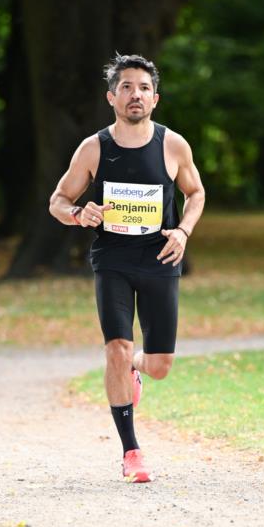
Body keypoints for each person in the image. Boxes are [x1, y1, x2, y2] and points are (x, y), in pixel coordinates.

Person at [48, 53, 205, 482]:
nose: (134, 94)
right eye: (126, 87)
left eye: (143, 88)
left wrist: (183, 232)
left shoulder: (173, 145)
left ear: (155, 98)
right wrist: (80, 214)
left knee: (159, 365)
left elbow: (195, 193)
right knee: (114, 348)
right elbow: (57, 201)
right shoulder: (94, 148)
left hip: (159, 259)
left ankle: (135, 366)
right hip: (112, 260)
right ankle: (131, 451)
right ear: (111, 97)